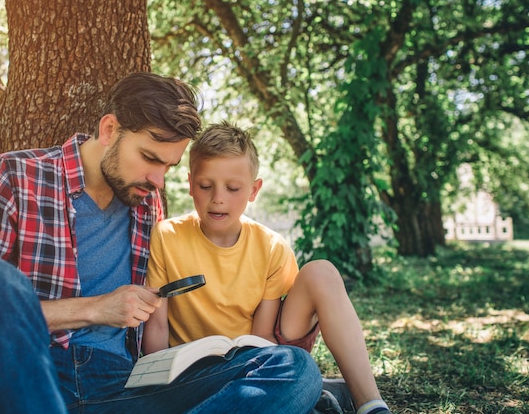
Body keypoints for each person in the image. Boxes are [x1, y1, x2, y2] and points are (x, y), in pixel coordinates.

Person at [0, 73, 323, 414]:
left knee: (294, 370)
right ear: (108, 130)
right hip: (30, 372)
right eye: (149, 158)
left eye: (168, 166)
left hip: (123, 387)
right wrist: (94, 309)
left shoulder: (145, 203)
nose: (158, 180)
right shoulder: (13, 176)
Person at [143, 122, 393, 414]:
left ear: (254, 189)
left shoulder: (271, 247)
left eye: (233, 188)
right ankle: (303, 401)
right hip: (190, 374)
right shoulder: (166, 236)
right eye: (205, 186)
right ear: (189, 184)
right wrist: (154, 385)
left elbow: (262, 336)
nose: (218, 198)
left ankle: (370, 405)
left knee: (322, 272)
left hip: (252, 362)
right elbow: (158, 325)